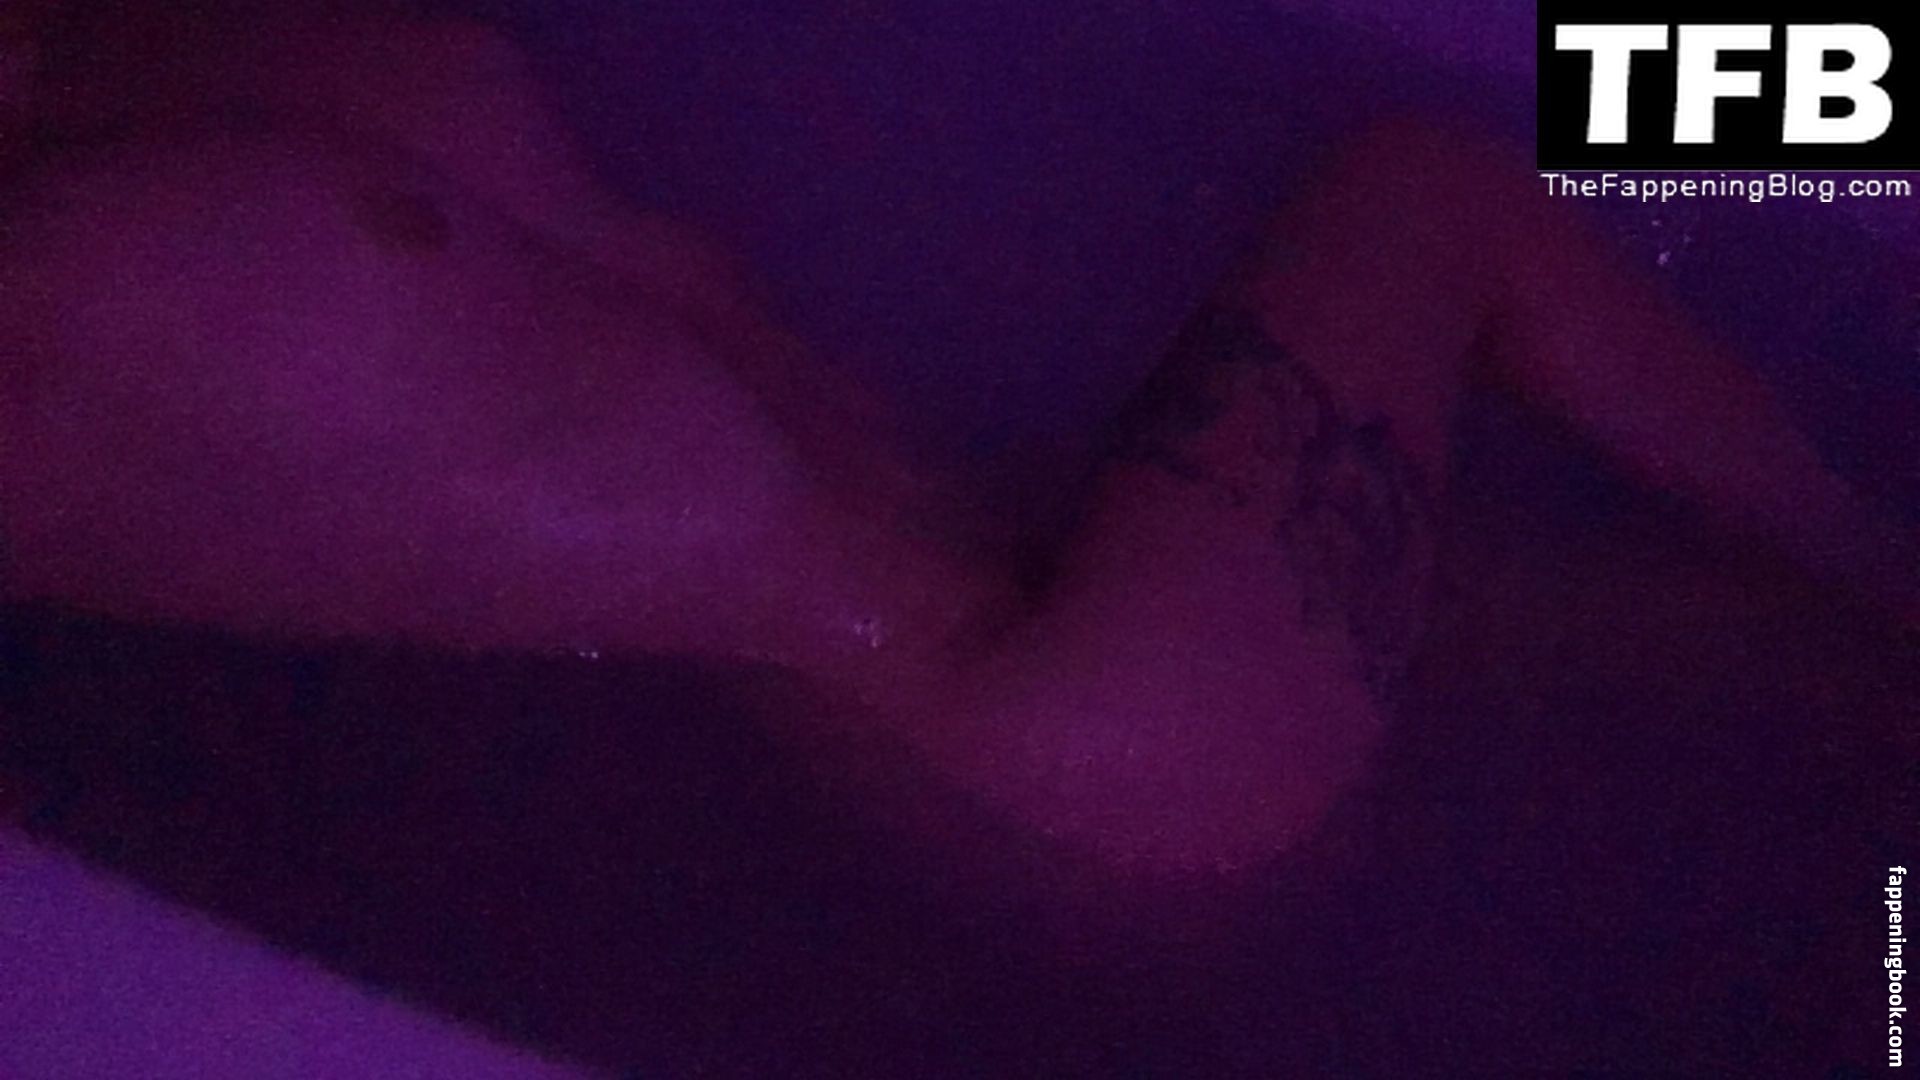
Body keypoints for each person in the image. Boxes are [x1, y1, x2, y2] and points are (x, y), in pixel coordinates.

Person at [2, 0, 1913, 881]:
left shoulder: (108, 69)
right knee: (1432, 192)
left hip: (999, 588)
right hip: (1050, 704)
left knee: (1600, 632)